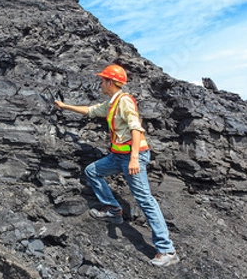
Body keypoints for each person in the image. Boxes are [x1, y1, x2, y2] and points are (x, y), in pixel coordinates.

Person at [54, 64, 179, 267]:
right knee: (92, 171)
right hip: (117, 156)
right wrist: (65, 106)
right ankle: (113, 209)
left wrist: (134, 159)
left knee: (145, 200)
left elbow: (136, 129)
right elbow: (90, 111)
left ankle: (167, 250)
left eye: (103, 80)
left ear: (110, 82)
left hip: (132, 156)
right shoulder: (112, 103)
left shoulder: (125, 102)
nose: (100, 83)